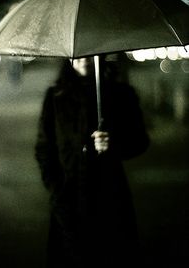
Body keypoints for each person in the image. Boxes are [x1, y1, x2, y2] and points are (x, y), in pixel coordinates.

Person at [35, 56, 150, 268]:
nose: (85, 59)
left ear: (103, 57)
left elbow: (140, 141)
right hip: (68, 198)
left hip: (110, 197)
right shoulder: (55, 97)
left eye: (92, 53)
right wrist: (56, 189)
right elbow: (44, 148)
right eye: (78, 55)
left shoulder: (121, 94)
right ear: (68, 58)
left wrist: (114, 145)